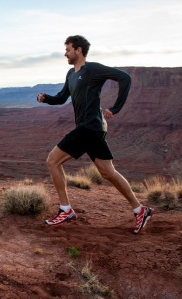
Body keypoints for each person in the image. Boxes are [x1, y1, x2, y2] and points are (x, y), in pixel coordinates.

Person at [37, 35, 152, 234]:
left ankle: (66, 210)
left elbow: (125, 78)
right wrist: (46, 98)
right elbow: (62, 97)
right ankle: (141, 210)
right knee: (108, 172)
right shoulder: (71, 74)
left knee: (52, 161)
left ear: (79, 50)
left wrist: (116, 108)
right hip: (93, 129)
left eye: (68, 49)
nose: (65, 53)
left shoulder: (92, 69)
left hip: (90, 127)